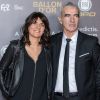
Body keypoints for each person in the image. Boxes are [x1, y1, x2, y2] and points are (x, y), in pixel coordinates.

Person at [50, 2, 100, 100]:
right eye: (67, 15)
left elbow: (99, 73)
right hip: (56, 97)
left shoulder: (91, 42)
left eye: (75, 16)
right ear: (60, 20)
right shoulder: (51, 42)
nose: (72, 20)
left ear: (78, 19)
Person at [0, 12, 52, 100]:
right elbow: (1, 70)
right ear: (28, 26)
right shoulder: (16, 47)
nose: (38, 27)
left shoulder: (48, 50)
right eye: (34, 23)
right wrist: (7, 92)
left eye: (42, 24)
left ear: (45, 29)